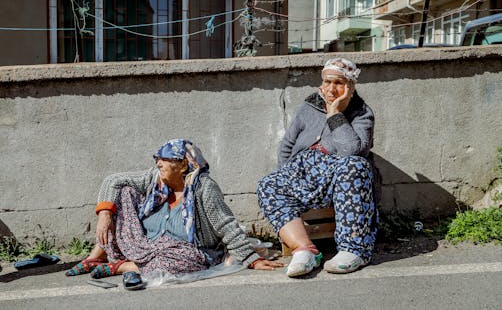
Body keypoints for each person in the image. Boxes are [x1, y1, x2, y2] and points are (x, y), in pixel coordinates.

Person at [66, 139, 282, 289]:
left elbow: (226, 225)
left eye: (164, 159)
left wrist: (251, 259)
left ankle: (119, 266)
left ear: (183, 165)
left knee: (178, 265)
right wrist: (104, 214)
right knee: (123, 193)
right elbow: (113, 180)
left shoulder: (203, 188)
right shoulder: (155, 178)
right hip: (145, 244)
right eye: (156, 158)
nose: (158, 163)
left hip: (185, 251)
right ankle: (95, 258)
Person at [256, 57, 379, 277]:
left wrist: (335, 114)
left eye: (339, 83)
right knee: (268, 183)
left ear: (351, 86)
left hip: (338, 176)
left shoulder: (362, 113)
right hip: (303, 172)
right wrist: (286, 173)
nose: (332, 88)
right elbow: (287, 146)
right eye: (328, 82)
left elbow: (352, 150)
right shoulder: (308, 107)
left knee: (354, 165)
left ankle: (353, 250)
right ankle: (305, 250)